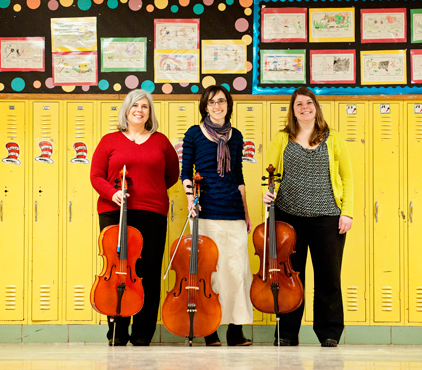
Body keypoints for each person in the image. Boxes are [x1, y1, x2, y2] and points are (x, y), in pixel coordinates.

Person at [263, 87, 353, 347]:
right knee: (290, 278)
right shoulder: (282, 138)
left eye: (308, 103)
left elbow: (347, 178)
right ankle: (287, 333)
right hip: (289, 218)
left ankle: (329, 333)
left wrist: (346, 211)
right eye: (299, 104)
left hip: (327, 217)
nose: (304, 107)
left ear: (316, 107)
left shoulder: (332, 138)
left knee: (329, 277)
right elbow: (268, 176)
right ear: (293, 110)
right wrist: (267, 195)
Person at [90, 89, 180, 346]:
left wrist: (151, 191)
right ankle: (117, 331)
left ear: (150, 112)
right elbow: (96, 175)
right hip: (115, 211)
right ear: (126, 111)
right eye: (135, 106)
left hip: (152, 212)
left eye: (145, 106)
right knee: (118, 272)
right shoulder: (109, 141)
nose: (139, 110)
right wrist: (113, 193)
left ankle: (143, 333)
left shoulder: (161, 141)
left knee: (148, 273)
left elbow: (171, 175)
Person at [180, 85, 253, 346]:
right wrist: (191, 200)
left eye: (221, 101)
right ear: (205, 106)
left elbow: (239, 177)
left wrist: (246, 212)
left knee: (237, 272)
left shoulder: (236, 136)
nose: (217, 106)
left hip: (232, 211)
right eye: (211, 102)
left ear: (228, 105)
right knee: (211, 274)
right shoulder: (193, 134)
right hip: (206, 212)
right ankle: (209, 328)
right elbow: (186, 172)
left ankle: (235, 329)